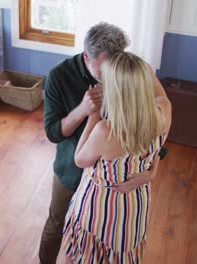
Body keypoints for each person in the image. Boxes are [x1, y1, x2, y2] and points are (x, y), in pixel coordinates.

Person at [39, 22, 160, 263]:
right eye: (106, 67)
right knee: (55, 224)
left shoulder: (128, 73)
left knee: (100, 243)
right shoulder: (58, 76)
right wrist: (83, 110)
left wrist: (154, 167)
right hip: (71, 171)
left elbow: (152, 120)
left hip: (113, 184)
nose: (113, 73)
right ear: (87, 56)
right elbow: (53, 133)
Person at [62, 51, 172, 263]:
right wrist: (151, 172)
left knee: (82, 256)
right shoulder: (164, 112)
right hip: (133, 207)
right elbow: (156, 149)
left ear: (115, 91)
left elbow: (80, 160)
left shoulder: (106, 130)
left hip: (97, 210)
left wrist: (93, 116)